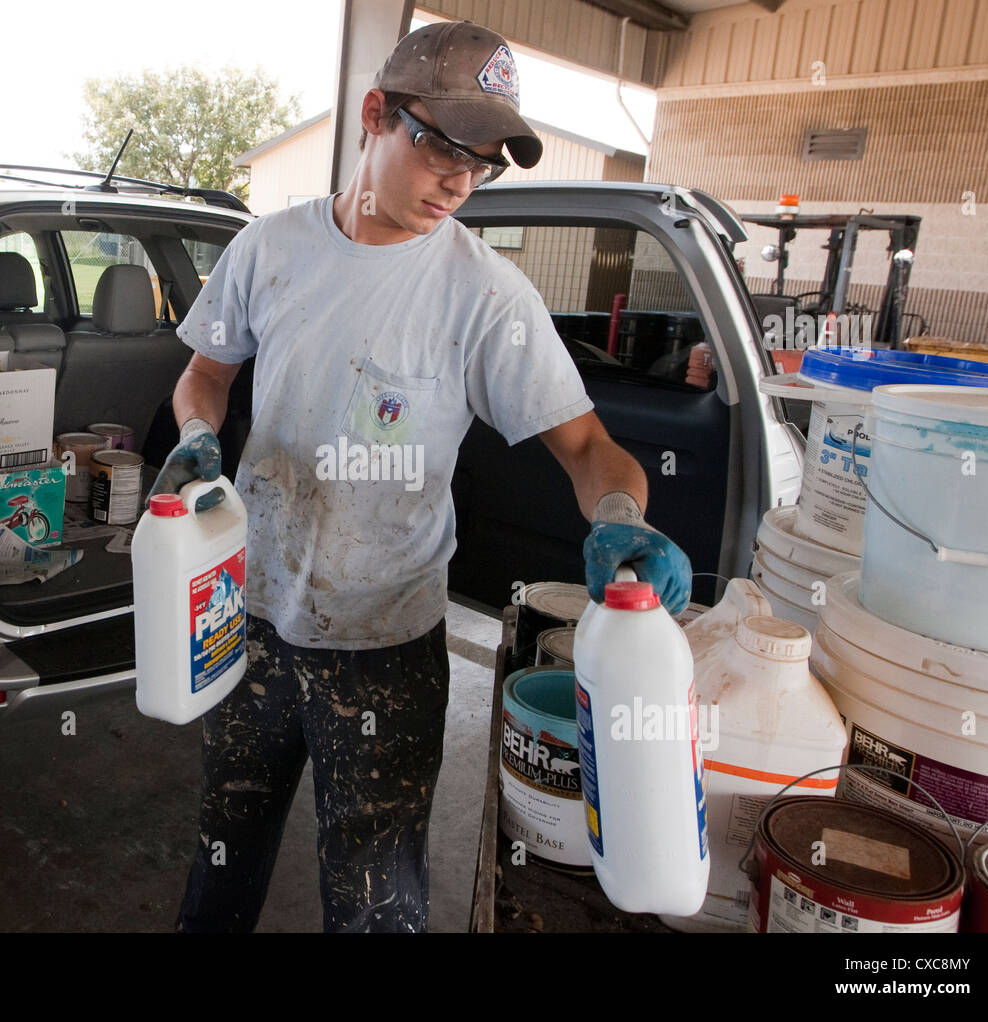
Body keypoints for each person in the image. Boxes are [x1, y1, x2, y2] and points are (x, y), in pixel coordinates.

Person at [154, 20, 692, 933]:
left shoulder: (485, 296)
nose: (460, 178)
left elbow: (588, 446)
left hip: (388, 646)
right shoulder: (268, 250)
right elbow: (206, 374)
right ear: (375, 113)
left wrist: (615, 516)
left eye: (484, 162)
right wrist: (197, 436)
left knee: (378, 900)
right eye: (443, 143)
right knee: (224, 846)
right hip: (248, 617)